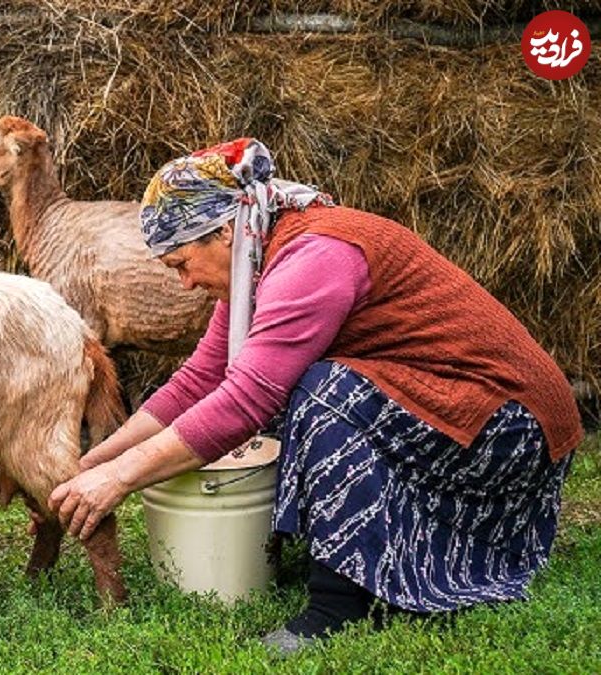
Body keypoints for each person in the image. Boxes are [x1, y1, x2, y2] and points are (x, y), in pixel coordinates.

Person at [48, 138, 582, 655]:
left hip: (507, 423)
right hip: (455, 406)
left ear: (226, 231)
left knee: (319, 390)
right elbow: (198, 380)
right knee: (308, 388)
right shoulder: (256, 263)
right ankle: (361, 555)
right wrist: (95, 461)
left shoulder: (315, 257)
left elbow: (245, 401)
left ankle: (335, 605)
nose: (184, 283)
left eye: (181, 263)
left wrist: (119, 480)